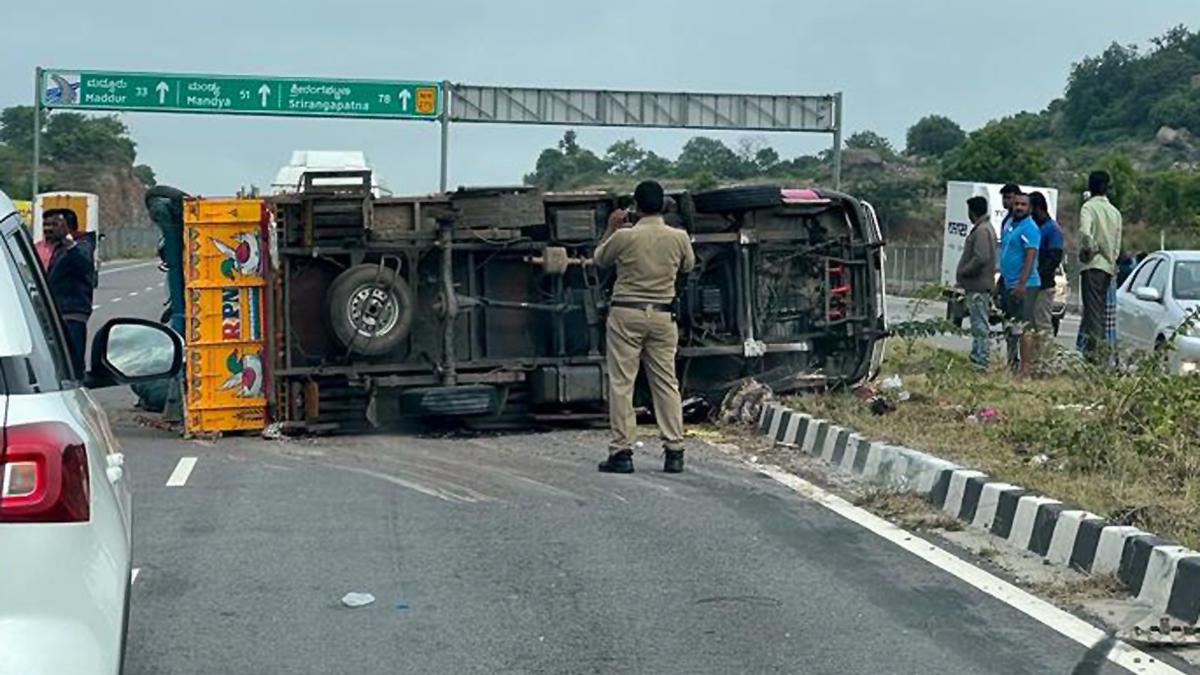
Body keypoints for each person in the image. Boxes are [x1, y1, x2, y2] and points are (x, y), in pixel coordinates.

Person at [593, 180, 695, 474]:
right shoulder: (679, 237)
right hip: (663, 317)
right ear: (663, 205)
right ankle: (674, 451)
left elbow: (600, 259)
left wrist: (612, 227)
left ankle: (622, 452)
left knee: (622, 383)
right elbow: (688, 266)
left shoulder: (625, 236)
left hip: (627, 314)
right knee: (665, 383)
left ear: (635, 207)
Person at [42, 209, 95, 373]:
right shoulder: (59, 249)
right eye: (45, 224)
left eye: (53, 224)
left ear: (68, 227)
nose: (47, 229)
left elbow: (84, 265)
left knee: (72, 367)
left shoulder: (81, 245)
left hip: (71, 317)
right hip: (55, 317)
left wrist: (68, 241)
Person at [1078, 171, 1123, 364]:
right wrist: (1112, 259)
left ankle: (1095, 357)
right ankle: (1102, 355)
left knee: (1093, 312)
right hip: (1109, 267)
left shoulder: (1088, 208)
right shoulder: (1114, 212)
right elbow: (1117, 243)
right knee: (1105, 312)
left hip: (1093, 266)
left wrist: (1091, 248)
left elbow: (1085, 233)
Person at [999, 192, 1041, 376]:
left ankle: (1025, 369)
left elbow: (1030, 257)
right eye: (1016, 204)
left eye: (1023, 204)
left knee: (1024, 327)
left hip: (1025, 284)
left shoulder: (1030, 228)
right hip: (1008, 284)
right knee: (1010, 325)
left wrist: (1022, 283)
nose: (1019, 207)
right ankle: (1011, 363)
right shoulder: (1010, 225)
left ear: (1029, 208)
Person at [956, 196, 998, 370]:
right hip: (978, 285)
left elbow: (981, 257)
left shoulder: (981, 231)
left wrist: (964, 270)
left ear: (972, 211)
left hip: (979, 285)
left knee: (979, 323)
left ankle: (980, 359)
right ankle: (978, 356)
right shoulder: (985, 228)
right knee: (977, 322)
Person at [1030, 192, 1063, 369]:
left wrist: (1039, 277)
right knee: (1033, 326)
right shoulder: (1037, 228)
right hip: (1033, 284)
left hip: (1043, 286)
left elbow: (1054, 258)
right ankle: (1035, 362)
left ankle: (1047, 364)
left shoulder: (1052, 229)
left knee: (1043, 325)